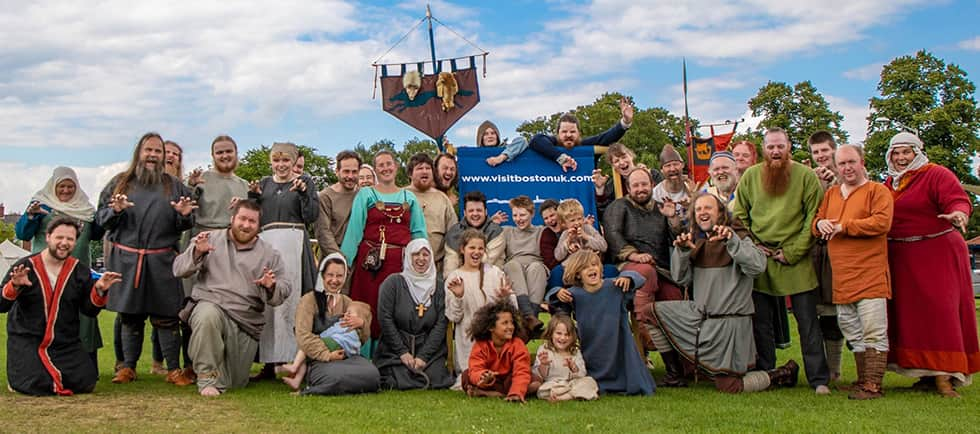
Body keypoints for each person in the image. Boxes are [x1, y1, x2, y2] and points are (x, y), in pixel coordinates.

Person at [652, 192, 800, 393]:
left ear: (720, 213)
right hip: (700, 317)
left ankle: (781, 374)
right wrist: (682, 252)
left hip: (731, 324)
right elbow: (681, 279)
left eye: (708, 208)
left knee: (729, 386)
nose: (702, 212)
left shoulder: (737, 236)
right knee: (647, 312)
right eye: (698, 209)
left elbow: (757, 267)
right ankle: (674, 374)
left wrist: (732, 242)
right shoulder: (695, 242)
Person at [733, 127, 831, 395]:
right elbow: (739, 215)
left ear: (789, 146)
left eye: (780, 146)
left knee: (808, 323)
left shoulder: (805, 177)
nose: (775, 151)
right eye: (770, 147)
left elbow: (814, 216)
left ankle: (818, 379)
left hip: (796, 259)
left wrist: (793, 251)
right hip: (762, 258)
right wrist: (754, 246)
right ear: (764, 149)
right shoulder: (751, 177)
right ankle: (768, 373)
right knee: (761, 323)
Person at [883, 132, 980, 398]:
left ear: (917, 152)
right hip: (903, 259)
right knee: (911, 318)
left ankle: (945, 379)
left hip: (937, 253)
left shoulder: (936, 174)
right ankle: (924, 374)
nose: (901, 158)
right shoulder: (889, 183)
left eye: (907, 152)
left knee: (941, 315)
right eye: (896, 153)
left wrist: (959, 214)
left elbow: (957, 200)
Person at [96, 132, 196, 385]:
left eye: (158, 151)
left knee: (167, 317)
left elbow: (185, 222)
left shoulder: (174, 186)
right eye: (148, 150)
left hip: (162, 260)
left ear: (163, 156)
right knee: (130, 316)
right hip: (128, 260)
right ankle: (127, 367)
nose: (153, 155)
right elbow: (100, 220)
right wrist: (115, 210)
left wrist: (184, 215)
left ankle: (173, 369)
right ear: (139, 153)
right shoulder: (120, 183)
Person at [172, 200, 291, 396]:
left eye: (252, 221)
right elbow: (178, 269)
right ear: (232, 218)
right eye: (242, 219)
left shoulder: (270, 254)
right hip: (212, 305)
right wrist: (197, 252)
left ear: (259, 225)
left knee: (234, 382)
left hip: (246, 321)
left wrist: (271, 286)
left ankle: (213, 372)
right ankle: (206, 378)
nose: (246, 225)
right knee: (207, 315)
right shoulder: (208, 239)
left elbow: (284, 290)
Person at [1, 217, 121, 396]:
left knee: (85, 381)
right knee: (36, 384)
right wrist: (15, 286)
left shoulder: (79, 270)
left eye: (70, 239)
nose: (64, 243)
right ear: (48, 237)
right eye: (59, 238)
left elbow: (89, 310)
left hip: (65, 343)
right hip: (28, 341)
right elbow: (2, 305)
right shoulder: (25, 266)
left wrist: (99, 290)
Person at [813, 145, 894, 400]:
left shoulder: (877, 191)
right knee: (851, 329)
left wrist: (842, 227)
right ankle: (862, 380)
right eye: (842, 164)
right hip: (842, 275)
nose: (847, 168)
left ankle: (873, 385)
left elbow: (881, 223)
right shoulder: (833, 194)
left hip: (869, 273)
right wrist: (820, 224)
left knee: (873, 329)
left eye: (851, 162)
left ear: (862, 162)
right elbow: (817, 223)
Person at [14, 167, 105, 372]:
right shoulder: (41, 207)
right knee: (44, 318)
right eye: (61, 186)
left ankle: (86, 368)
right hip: (46, 273)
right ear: (53, 186)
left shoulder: (86, 211)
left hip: (77, 274)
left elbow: (98, 233)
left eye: (70, 186)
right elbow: (23, 234)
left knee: (84, 319)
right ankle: (38, 366)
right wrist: (30, 216)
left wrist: (110, 214)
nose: (65, 190)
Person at [248, 141, 320, 380]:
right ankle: (269, 362)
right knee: (269, 304)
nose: (281, 165)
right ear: (271, 161)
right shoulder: (265, 184)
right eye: (276, 160)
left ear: (293, 161)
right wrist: (253, 198)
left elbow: (311, 216)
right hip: (269, 244)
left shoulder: (304, 181)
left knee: (295, 303)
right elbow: (255, 217)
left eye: (286, 160)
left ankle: (296, 360)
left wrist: (303, 194)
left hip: (294, 244)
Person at [342, 150, 427, 343]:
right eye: (381, 165)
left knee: (396, 308)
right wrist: (343, 262)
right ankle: (364, 358)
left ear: (396, 167)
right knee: (367, 306)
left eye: (389, 164)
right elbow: (355, 230)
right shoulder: (366, 194)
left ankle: (394, 358)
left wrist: (424, 262)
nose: (386, 168)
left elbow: (418, 233)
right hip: (371, 263)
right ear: (376, 170)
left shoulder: (409, 197)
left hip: (400, 264)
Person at [605, 168, 684, 364]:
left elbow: (676, 240)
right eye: (636, 185)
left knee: (674, 295)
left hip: (661, 268)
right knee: (645, 272)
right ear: (628, 187)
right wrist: (634, 255)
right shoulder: (618, 207)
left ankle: (680, 366)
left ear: (651, 185)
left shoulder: (661, 207)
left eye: (644, 184)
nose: (640, 189)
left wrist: (673, 218)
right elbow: (613, 234)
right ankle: (645, 331)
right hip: (629, 266)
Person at [551, 250, 655, 395]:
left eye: (594, 265)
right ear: (577, 274)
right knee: (589, 379)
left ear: (601, 268)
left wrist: (628, 277)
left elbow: (639, 280)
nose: (592, 268)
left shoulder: (615, 286)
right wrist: (557, 292)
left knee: (627, 374)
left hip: (618, 345)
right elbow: (555, 303)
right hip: (592, 348)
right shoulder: (574, 294)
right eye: (585, 267)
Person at [293, 254, 381, 395]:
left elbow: (359, 340)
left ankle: (343, 382)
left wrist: (362, 324)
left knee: (373, 374)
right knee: (335, 376)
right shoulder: (309, 300)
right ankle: (316, 387)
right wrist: (328, 355)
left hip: (346, 357)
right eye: (330, 275)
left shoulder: (348, 302)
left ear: (345, 277)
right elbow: (303, 335)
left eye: (339, 276)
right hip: (319, 358)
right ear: (322, 275)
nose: (334, 280)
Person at [374, 239, 454, 390]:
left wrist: (423, 356)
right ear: (408, 257)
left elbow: (441, 324)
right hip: (396, 350)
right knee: (394, 376)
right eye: (416, 254)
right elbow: (385, 319)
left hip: (428, 350)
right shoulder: (393, 283)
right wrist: (402, 352)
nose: (421, 259)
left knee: (436, 376)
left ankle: (417, 374)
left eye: (425, 254)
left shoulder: (439, 287)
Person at [445, 229, 519, 384]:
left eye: (480, 248)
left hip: (495, 340)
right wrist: (459, 297)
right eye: (472, 248)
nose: (476, 252)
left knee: (501, 377)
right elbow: (454, 316)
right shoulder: (454, 278)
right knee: (472, 376)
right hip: (469, 340)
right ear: (462, 249)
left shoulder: (495, 273)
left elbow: (513, 311)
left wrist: (506, 297)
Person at [806, 131, 846, 384]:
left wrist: (834, 183)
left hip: (843, 251)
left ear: (834, 151)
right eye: (816, 152)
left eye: (825, 151)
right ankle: (829, 370)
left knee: (847, 314)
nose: (821, 156)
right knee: (822, 313)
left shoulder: (849, 176)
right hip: (815, 252)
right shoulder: (809, 178)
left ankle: (850, 369)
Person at [281, 301, 371, 391]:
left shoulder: (344, 324)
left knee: (306, 345)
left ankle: (294, 366)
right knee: (306, 356)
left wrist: (319, 337)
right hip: (341, 347)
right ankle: (296, 381)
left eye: (349, 313)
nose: (345, 314)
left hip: (335, 342)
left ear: (358, 318)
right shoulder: (356, 333)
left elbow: (331, 331)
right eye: (346, 311)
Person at [529, 97, 634, 172]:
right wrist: (561, 158)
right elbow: (536, 140)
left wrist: (626, 121)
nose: (569, 135)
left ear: (579, 133)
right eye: (564, 132)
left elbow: (608, 137)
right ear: (557, 133)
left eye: (573, 131)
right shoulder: (552, 144)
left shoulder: (586, 146)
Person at [461, 299, 532, 402]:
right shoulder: (480, 345)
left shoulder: (517, 344)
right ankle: (494, 393)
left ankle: (490, 394)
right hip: (491, 382)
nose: (510, 327)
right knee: (466, 375)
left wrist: (516, 393)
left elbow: (521, 370)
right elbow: (475, 368)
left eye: (512, 322)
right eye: (505, 323)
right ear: (491, 327)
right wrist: (483, 376)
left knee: (531, 381)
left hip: (509, 381)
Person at [405, 153, 458, 277]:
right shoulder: (400, 196)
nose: (425, 171)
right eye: (419, 168)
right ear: (410, 173)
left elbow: (454, 235)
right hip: (405, 267)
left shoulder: (442, 199)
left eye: (428, 168)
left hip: (436, 268)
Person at [500, 195, 547, 333]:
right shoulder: (506, 231)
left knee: (536, 268)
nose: (518, 219)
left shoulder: (541, 231)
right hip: (515, 269)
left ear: (531, 214)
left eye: (522, 215)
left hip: (535, 267)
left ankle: (528, 319)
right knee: (512, 265)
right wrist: (492, 222)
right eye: (515, 215)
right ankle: (530, 317)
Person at [533, 314, 599, 401]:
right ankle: (575, 395)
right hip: (553, 384)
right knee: (542, 391)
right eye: (559, 333)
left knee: (589, 382)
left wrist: (574, 368)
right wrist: (543, 364)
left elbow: (582, 374)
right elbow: (541, 376)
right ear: (551, 333)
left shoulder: (575, 351)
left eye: (567, 334)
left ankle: (565, 396)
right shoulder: (545, 350)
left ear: (573, 337)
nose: (563, 338)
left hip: (572, 383)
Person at [594, 143, 665, 219]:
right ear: (613, 166)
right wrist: (600, 190)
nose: (621, 162)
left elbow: (664, 199)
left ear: (631, 156)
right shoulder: (612, 186)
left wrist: (649, 181)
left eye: (624, 157)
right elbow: (604, 215)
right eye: (616, 161)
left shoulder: (652, 174)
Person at [444, 191, 505, 275]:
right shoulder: (454, 232)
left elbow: (487, 261)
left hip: (490, 278)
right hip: (460, 280)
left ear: (486, 212)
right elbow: (450, 263)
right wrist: (451, 281)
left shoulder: (496, 231)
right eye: (471, 210)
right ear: (465, 213)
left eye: (479, 210)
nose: (475, 214)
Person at [315, 150, 362, 257]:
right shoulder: (325, 197)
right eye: (346, 171)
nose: (350, 176)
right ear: (337, 171)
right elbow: (323, 233)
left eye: (354, 172)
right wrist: (339, 258)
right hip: (332, 259)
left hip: (358, 258)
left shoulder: (363, 196)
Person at [554, 198, 606, 263]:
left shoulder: (588, 228)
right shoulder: (565, 234)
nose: (577, 223)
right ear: (564, 224)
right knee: (557, 271)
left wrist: (586, 236)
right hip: (573, 266)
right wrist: (567, 241)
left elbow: (604, 246)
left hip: (591, 263)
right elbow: (558, 257)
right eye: (572, 220)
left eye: (579, 218)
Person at [651, 144, 693, 224]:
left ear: (682, 165)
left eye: (675, 164)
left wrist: (694, 197)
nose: (672, 169)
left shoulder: (696, 186)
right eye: (668, 166)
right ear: (661, 170)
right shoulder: (656, 194)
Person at [538, 199, 563, 270]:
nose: (549, 220)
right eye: (546, 218)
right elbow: (550, 263)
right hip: (559, 268)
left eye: (552, 215)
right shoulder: (546, 234)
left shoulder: (570, 226)